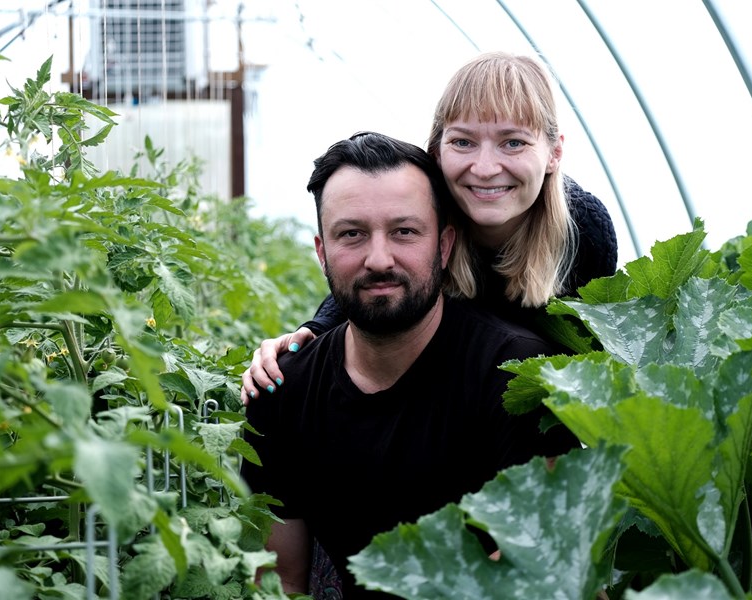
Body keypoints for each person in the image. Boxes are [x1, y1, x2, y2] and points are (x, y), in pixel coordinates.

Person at [240, 132, 578, 598]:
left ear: (443, 247)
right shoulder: (283, 390)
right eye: (352, 234)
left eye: (404, 231)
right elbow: (281, 584)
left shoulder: (518, 376)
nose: (379, 259)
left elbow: (539, 572)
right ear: (321, 252)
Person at [240, 51, 618, 403]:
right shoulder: (425, 213)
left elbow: (581, 364)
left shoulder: (584, 231)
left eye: (514, 143)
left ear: (554, 153)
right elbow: (375, 271)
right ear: (437, 151)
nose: (485, 168)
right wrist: (313, 332)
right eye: (463, 142)